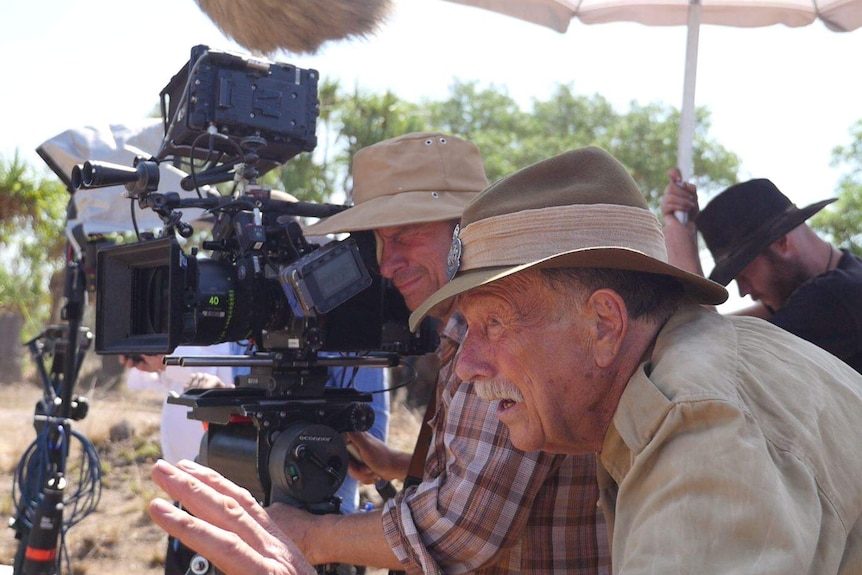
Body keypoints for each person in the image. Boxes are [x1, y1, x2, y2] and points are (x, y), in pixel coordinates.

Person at [147, 132, 609, 575]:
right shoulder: (461, 327)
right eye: (380, 242)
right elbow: (488, 477)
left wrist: (309, 536)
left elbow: (463, 529)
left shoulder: (506, 329)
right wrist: (401, 465)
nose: (388, 264)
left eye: (407, 235)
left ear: (467, 228)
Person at [402, 146, 862, 573]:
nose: (468, 365)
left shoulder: (696, 428)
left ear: (604, 324)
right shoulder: (684, 373)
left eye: (496, 324)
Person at [661, 170, 862, 372]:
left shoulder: (835, 297)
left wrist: (683, 255)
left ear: (781, 243)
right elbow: (726, 328)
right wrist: (688, 231)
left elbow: (715, 361)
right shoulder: (846, 276)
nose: (743, 291)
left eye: (743, 275)